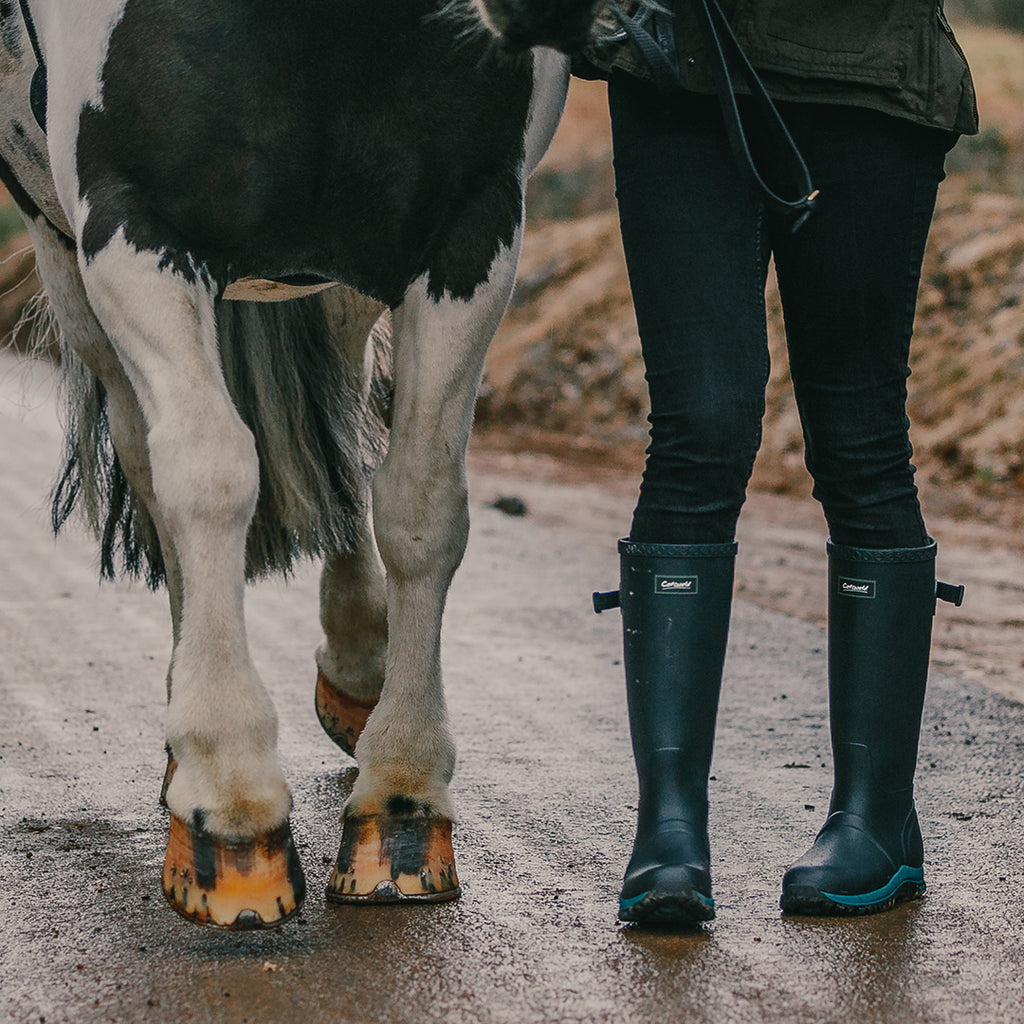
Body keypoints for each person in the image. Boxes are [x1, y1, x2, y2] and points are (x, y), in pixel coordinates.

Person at [581, 1, 978, 927]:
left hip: (870, 78)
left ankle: (876, 818)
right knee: (701, 425)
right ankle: (670, 825)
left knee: (859, 436)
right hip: (682, 65)